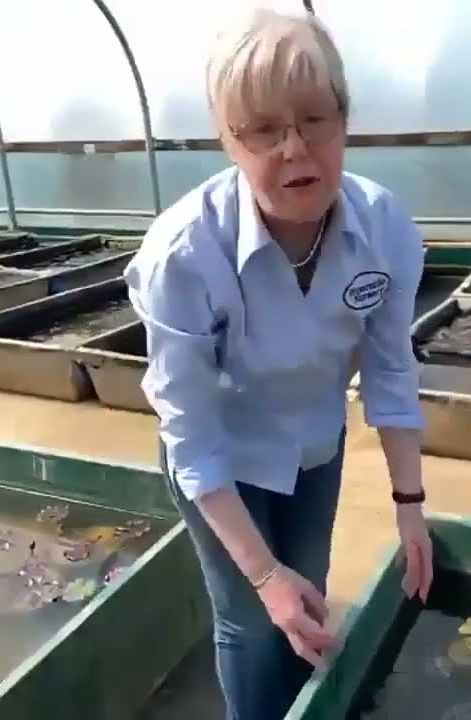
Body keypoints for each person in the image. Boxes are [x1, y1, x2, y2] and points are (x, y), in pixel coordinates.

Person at [124, 8, 434, 720]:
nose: (296, 148)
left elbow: (389, 373)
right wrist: (262, 574)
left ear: (344, 118)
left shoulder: (384, 228)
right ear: (228, 141)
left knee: (309, 594)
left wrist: (409, 509)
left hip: (314, 446)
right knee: (251, 615)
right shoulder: (184, 255)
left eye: (315, 118)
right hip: (221, 462)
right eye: (263, 129)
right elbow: (192, 438)